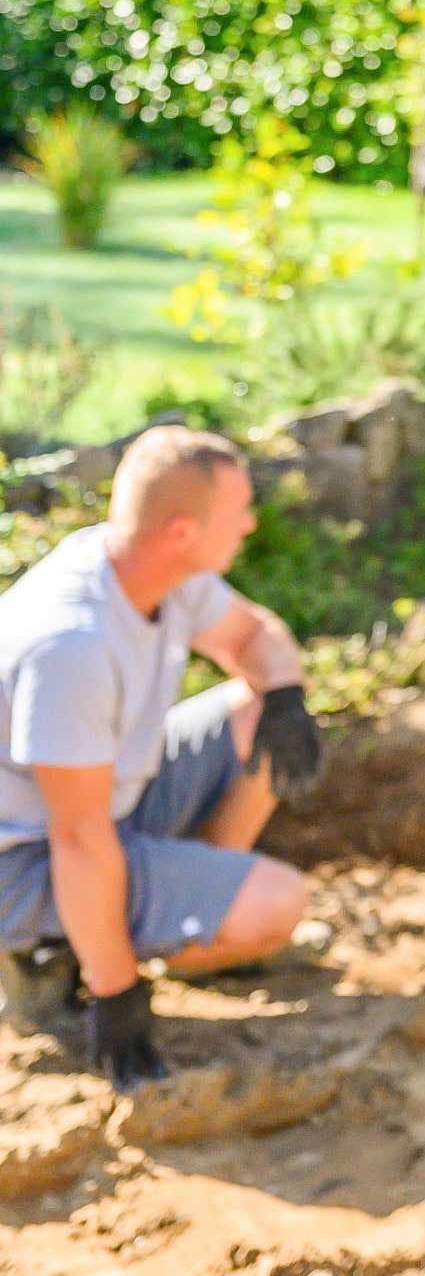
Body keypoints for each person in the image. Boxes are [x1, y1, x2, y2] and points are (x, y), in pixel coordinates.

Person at [0, 425, 326, 1088]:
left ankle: (191, 921)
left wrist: (287, 695)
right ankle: (49, 960)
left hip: (109, 794)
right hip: (24, 860)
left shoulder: (156, 571)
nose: (251, 525)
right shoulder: (72, 646)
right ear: (182, 530)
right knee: (278, 904)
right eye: (238, 513)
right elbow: (77, 836)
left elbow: (255, 635)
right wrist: (117, 991)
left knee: (262, 708)